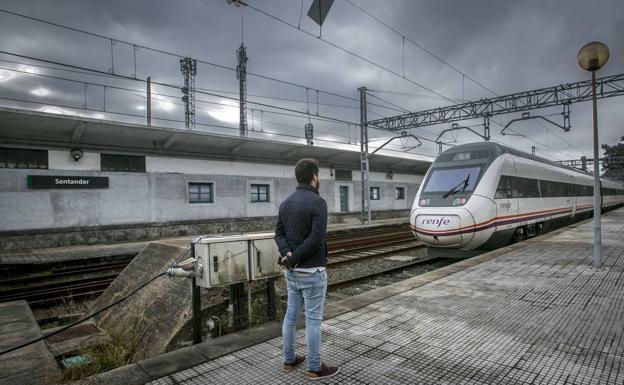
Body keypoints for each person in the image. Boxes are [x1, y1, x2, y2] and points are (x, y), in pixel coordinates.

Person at [274, 158, 340, 381]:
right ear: (314, 176)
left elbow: (278, 234)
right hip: (312, 272)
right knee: (313, 321)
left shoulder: (286, 203)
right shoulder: (317, 202)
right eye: (318, 175)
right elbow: (316, 238)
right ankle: (314, 367)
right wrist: (295, 257)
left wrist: (288, 256)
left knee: (290, 317)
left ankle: (289, 360)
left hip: (292, 273)